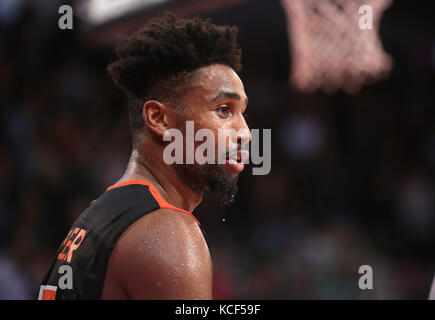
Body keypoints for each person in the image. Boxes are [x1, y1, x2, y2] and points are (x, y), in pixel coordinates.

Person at [38, 14, 250, 300]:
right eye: (224, 110)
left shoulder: (99, 217)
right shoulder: (167, 231)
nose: (245, 133)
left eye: (242, 113)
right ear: (159, 118)